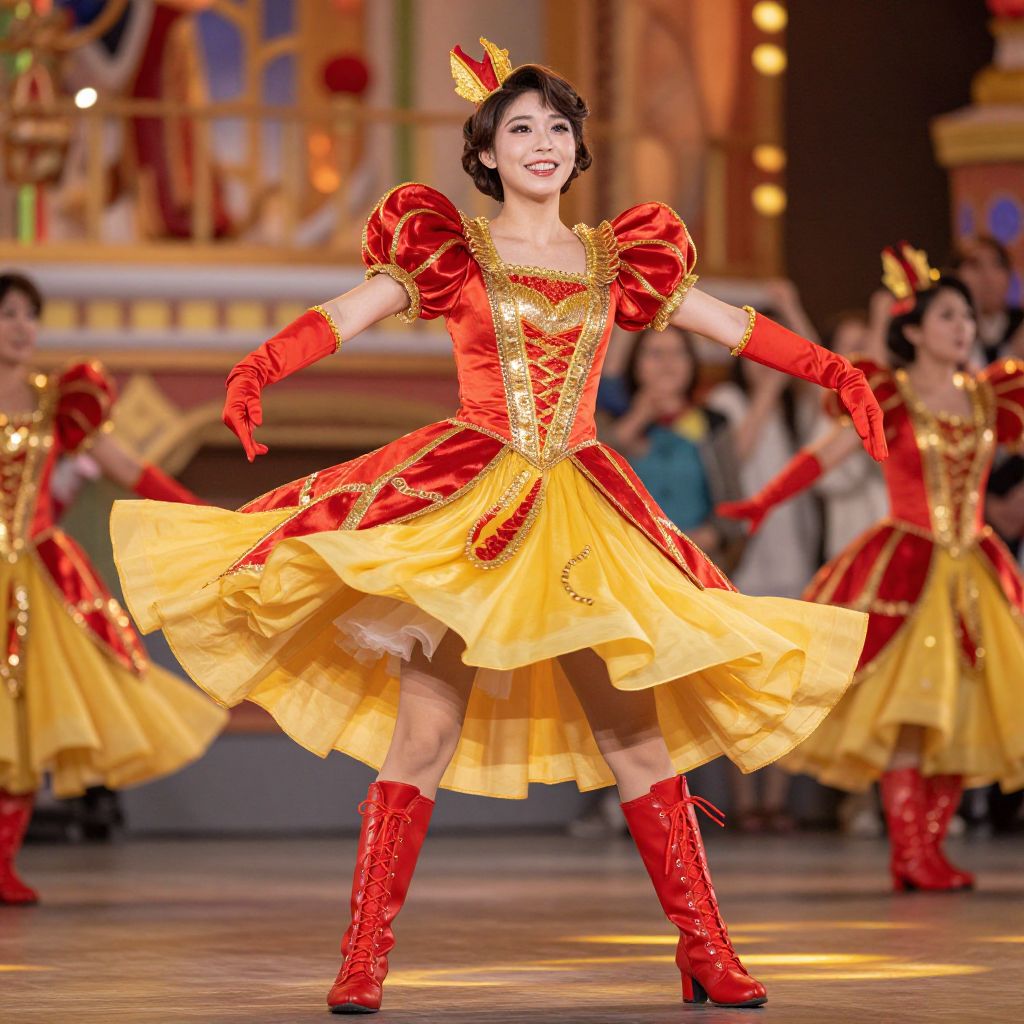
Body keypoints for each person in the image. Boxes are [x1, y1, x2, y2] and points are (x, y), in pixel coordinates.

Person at [110, 40, 885, 1013]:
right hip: (470, 502)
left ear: (576, 149)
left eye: (558, 126)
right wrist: (261, 366)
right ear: (484, 153)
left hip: (585, 515)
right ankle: (362, 956)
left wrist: (836, 372)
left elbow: (732, 324)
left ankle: (705, 947)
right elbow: (351, 309)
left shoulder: (616, 258)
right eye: (521, 126)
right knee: (423, 736)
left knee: (639, 746)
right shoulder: (453, 250)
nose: (543, 141)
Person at [720, 243, 1024, 891]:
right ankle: (910, 851)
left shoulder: (990, 396)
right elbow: (825, 455)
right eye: (947, 316)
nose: (962, 328)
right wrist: (764, 501)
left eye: (966, 317)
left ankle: (931, 849)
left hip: (977, 567)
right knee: (913, 711)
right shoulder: (889, 394)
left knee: (964, 709)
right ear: (913, 330)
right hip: (910, 563)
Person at [0, 271, 227, 905]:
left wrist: (199, 515)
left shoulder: (59, 401)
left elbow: (127, 466)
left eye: (29, 315)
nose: (21, 327)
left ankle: (1, 861)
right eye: (8, 313)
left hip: (39, 576)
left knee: (23, 720)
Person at [600, 325, 745, 572]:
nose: (668, 363)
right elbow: (591, 478)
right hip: (628, 566)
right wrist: (638, 418)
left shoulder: (713, 424)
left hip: (697, 567)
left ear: (692, 362)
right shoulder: (609, 421)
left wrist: (711, 535)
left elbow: (733, 509)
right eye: (655, 353)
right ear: (635, 363)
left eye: (679, 353)